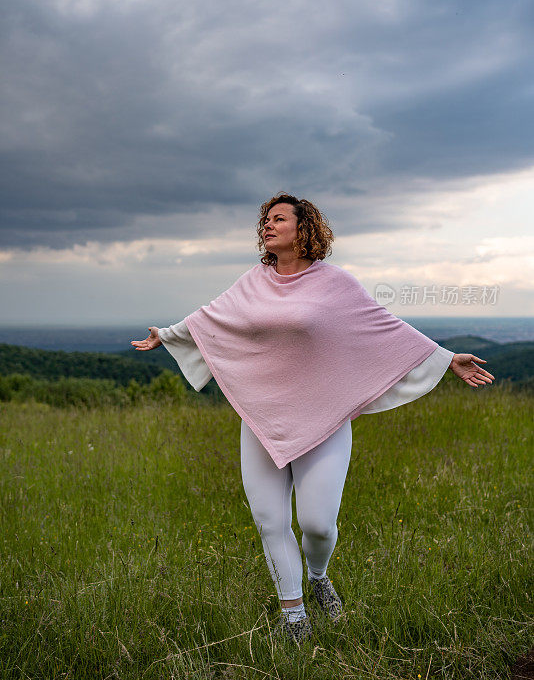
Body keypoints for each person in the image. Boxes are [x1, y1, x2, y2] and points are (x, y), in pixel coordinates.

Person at [131, 192, 495, 646]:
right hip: (263, 418)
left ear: (304, 230)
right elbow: (211, 320)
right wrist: (165, 335)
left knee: (318, 524)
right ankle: (294, 614)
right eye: (265, 219)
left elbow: (382, 325)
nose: (267, 224)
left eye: (278, 218)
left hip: (323, 418)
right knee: (270, 519)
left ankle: (319, 576)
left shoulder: (336, 284)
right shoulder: (253, 281)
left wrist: (443, 358)